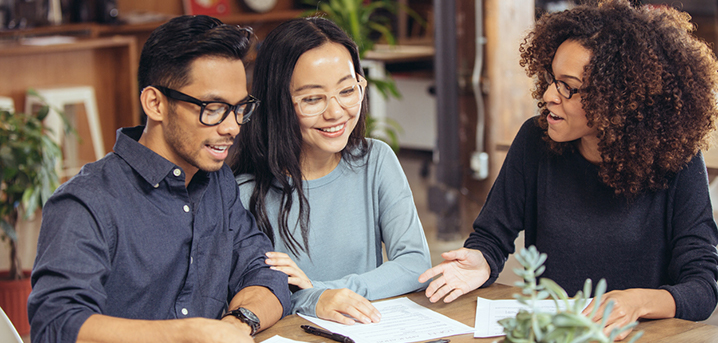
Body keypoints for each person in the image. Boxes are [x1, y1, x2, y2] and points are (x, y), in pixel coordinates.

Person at [419, 0, 718, 340]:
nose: (548, 95)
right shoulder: (536, 140)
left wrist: (637, 302)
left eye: (568, 87)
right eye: (551, 79)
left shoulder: (675, 159)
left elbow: (702, 286)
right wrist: (480, 260)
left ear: (617, 98)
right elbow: (491, 236)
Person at [27, 15, 290, 343]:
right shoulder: (87, 201)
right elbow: (56, 324)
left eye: (239, 108)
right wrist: (186, 334)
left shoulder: (218, 183)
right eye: (213, 108)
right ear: (155, 104)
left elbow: (266, 273)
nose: (233, 127)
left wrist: (237, 324)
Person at [228, 17, 432, 325]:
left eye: (347, 90)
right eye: (312, 99)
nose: (336, 112)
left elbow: (415, 264)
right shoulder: (243, 192)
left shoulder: (376, 161)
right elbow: (245, 296)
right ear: (277, 103)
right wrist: (312, 300)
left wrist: (320, 292)